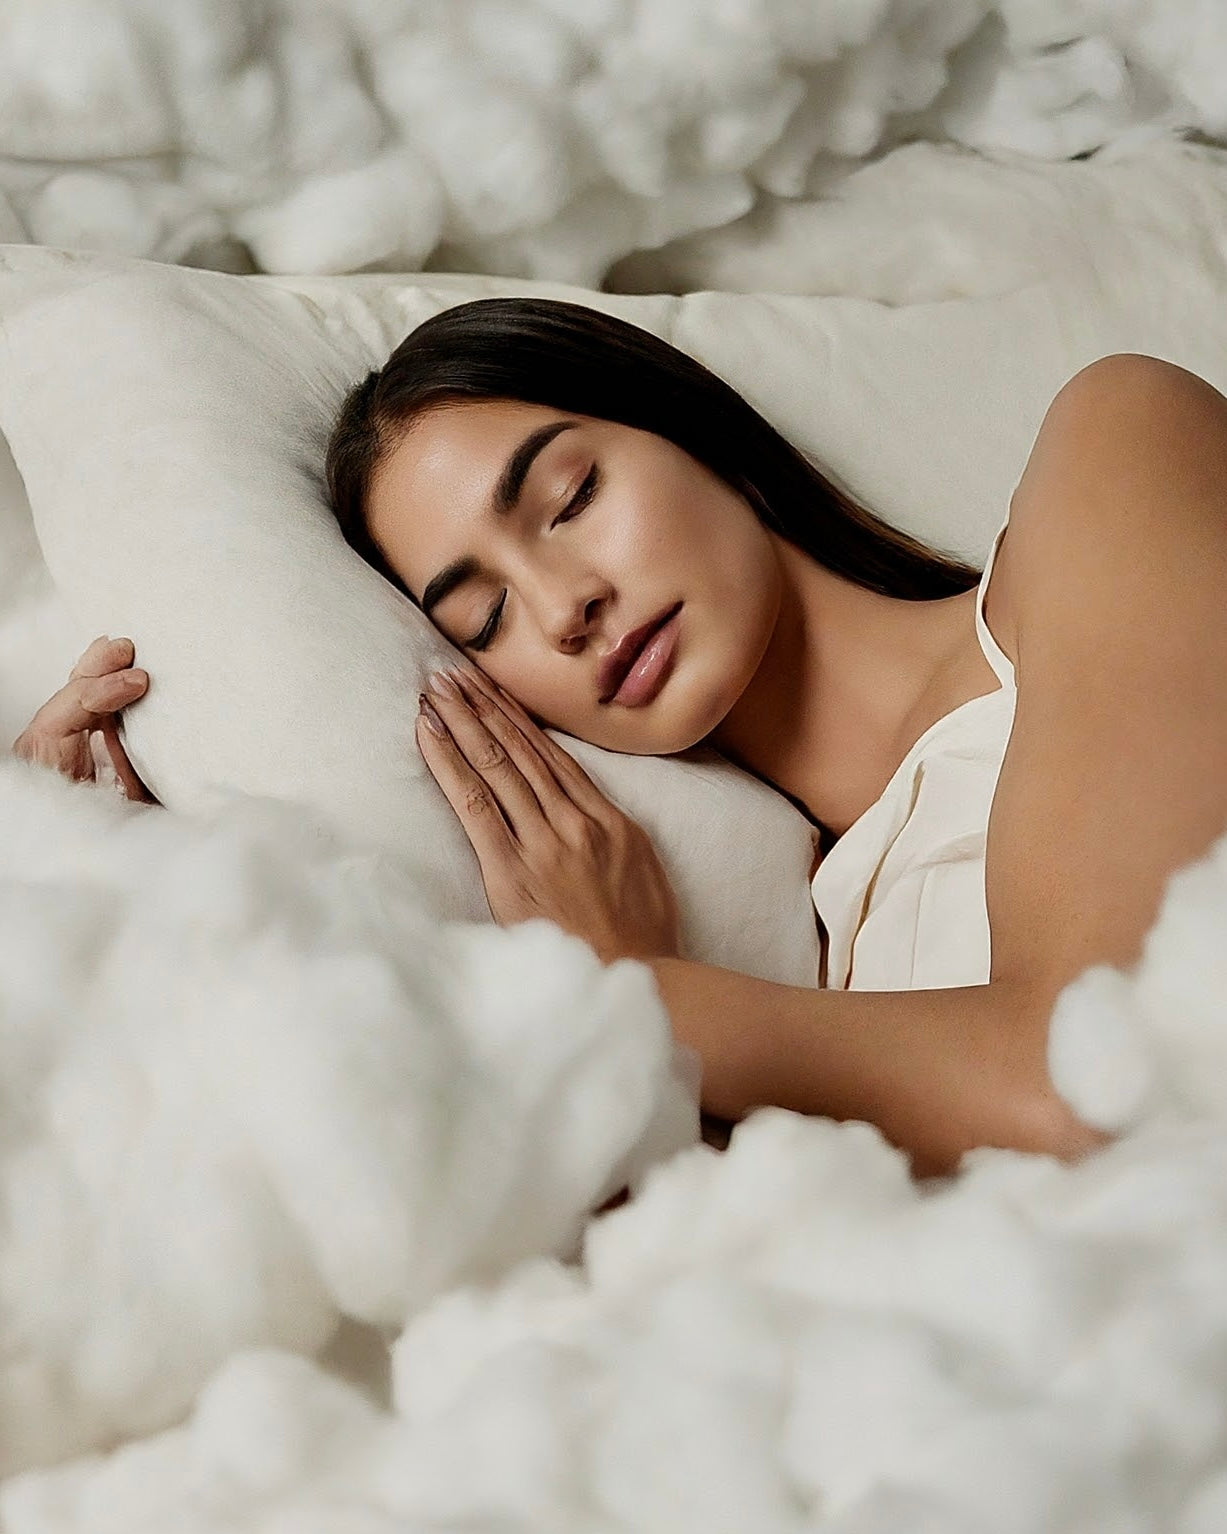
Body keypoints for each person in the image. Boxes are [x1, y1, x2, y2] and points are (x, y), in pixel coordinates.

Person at [15, 300, 1227, 1177]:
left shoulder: (1115, 455)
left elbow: (1103, 1072)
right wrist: (100, 892)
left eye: (568, 498)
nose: (561, 604)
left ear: (696, 434)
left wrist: (637, 992)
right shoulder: (820, 964)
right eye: (484, 617)